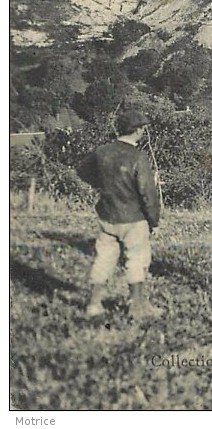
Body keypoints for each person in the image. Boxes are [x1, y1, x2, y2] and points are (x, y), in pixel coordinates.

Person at [76, 110, 162, 320]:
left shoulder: (102, 152)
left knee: (103, 258)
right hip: (133, 218)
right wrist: (154, 220)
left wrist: (103, 185)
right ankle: (137, 307)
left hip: (108, 215)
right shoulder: (138, 157)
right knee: (137, 259)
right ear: (139, 130)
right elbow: (147, 193)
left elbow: (82, 171)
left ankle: (94, 304)